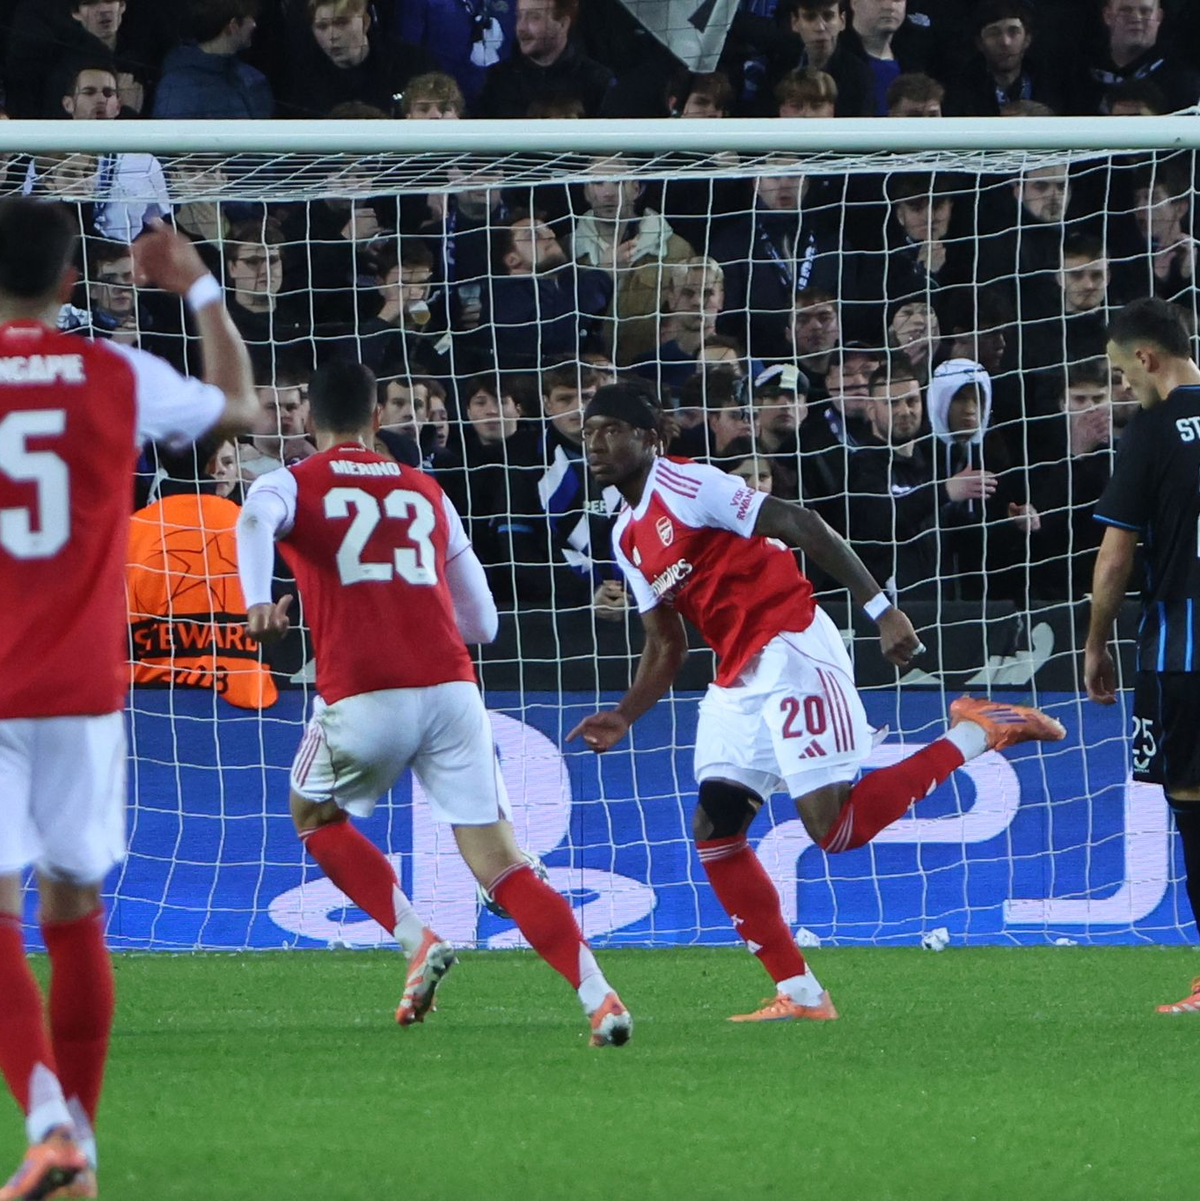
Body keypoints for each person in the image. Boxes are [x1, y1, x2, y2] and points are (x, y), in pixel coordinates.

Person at [571, 379, 1064, 1022]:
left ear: (651, 436)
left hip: (789, 642)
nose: (598, 443)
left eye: (612, 429)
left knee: (835, 829)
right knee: (716, 829)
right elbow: (667, 643)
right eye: (588, 433)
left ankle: (978, 729)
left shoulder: (690, 484)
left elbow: (801, 523)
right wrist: (626, 713)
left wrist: (883, 611)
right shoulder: (626, 536)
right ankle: (801, 994)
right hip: (737, 671)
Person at [235, 360, 632, 1046]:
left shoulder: (290, 481)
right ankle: (599, 995)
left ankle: (417, 939)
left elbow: (250, 520)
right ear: (378, 420)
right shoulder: (426, 491)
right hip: (453, 692)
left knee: (312, 813)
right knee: (503, 864)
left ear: (306, 422)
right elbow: (485, 626)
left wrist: (255, 603)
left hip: (363, 692)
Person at [0, 202, 256, 1200]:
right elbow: (236, 408)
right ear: (71, 284)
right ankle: (83, 1152)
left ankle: (47, 1124)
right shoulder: (114, 371)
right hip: (82, 688)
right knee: (76, 914)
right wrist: (191, 282)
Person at [1085, 298, 1200, 1014]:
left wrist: (1096, 641)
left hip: (1185, 651)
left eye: (1121, 372)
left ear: (1148, 358)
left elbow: (1114, 561)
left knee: (1192, 805)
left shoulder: (1154, 432)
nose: (1123, 384)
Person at [476, 0, 613, 118]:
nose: (521, 27)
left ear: (563, 24)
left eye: (534, 17)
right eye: (519, 16)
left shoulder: (597, 80)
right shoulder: (498, 79)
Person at [152, 0, 274, 119]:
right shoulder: (178, 86)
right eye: (250, 17)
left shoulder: (254, 80)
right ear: (233, 26)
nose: (254, 24)